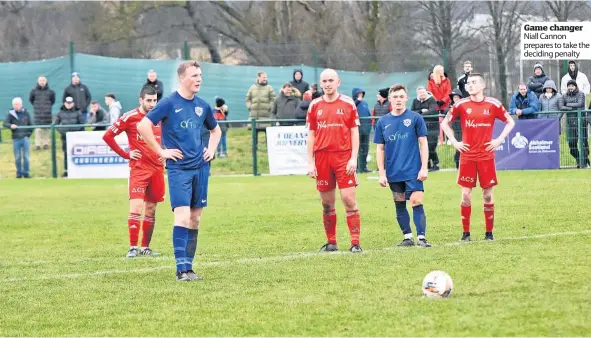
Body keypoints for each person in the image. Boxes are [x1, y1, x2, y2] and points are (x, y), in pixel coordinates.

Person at [137, 61, 221, 282]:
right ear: (182, 78)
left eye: (200, 75)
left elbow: (216, 130)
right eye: (194, 75)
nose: (199, 79)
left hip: (201, 169)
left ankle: (189, 268)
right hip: (179, 170)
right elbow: (143, 126)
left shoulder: (203, 105)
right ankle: (181, 269)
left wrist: (211, 150)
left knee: (195, 219)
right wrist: (161, 152)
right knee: (182, 216)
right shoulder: (168, 103)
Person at [440, 73, 515, 242]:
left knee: (487, 195)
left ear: (483, 86)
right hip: (467, 156)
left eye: (473, 82)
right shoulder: (461, 104)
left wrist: (499, 140)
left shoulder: (493, 104)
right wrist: (454, 141)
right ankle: (466, 234)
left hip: (486, 156)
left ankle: (489, 234)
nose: (469, 85)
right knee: (465, 195)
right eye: (468, 83)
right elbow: (444, 123)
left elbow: (510, 122)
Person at [102, 86, 163, 258]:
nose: (152, 104)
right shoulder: (130, 117)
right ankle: (132, 248)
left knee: (151, 209)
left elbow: (168, 136)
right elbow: (108, 136)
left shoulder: (160, 117)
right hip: (139, 170)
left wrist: (165, 152)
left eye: (154, 100)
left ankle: (145, 248)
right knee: (136, 208)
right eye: (148, 100)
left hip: (157, 170)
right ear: (140, 100)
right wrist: (126, 154)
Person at [306, 68, 363, 253]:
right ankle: (331, 243)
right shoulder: (314, 105)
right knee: (327, 203)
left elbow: (355, 132)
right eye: (324, 81)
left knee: (348, 199)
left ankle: (355, 243)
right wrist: (310, 162)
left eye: (331, 80)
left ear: (338, 82)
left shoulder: (348, 104)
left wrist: (353, 158)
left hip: (343, 156)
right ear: (320, 84)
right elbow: (311, 135)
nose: (328, 84)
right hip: (322, 158)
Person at [374, 84, 431, 247]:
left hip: (413, 170)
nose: (398, 100)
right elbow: (380, 148)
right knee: (399, 202)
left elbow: (423, 143)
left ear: (406, 98)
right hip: (394, 171)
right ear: (390, 99)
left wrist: (424, 167)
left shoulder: (415, 118)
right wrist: (382, 173)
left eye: (401, 97)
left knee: (416, 201)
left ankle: (421, 238)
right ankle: (407, 237)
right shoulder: (383, 122)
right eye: (395, 97)